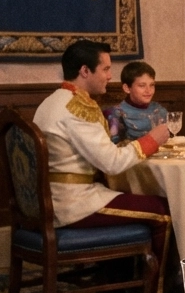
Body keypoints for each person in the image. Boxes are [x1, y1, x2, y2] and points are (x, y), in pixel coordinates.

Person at [33, 40, 172, 268]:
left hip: (50, 200)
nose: (110, 76)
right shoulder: (77, 108)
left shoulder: (51, 102)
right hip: (73, 204)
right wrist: (152, 140)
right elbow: (112, 163)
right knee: (163, 210)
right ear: (85, 71)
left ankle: (119, 282)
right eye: (106, 69)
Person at [107, 60, 169, 144]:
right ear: (127, 88)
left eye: (152, 85)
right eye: (142, 86)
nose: (148, 90)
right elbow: (116, 149)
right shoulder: (117, 114)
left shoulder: (159, 110)